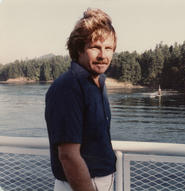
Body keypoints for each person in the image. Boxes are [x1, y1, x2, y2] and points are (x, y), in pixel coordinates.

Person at [45, 8, 117, 191]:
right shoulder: (68, 88)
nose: (103, 55)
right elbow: (68, 156)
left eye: (108, 48)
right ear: (78, 49)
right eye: (95, 47)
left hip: (100, 182)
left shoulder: (97, 82)